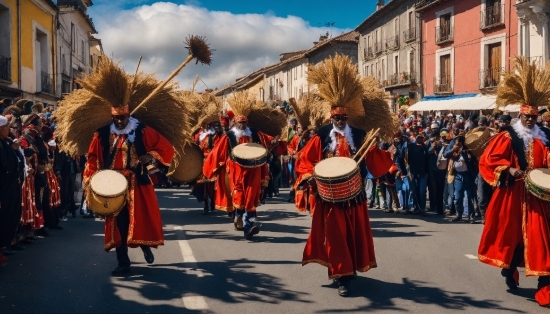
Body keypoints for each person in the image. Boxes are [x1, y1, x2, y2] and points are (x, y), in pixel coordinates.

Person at [295, 107, 393, 297]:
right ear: (331, 118)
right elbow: (306, 159)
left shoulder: (359, 135)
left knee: (354, 233)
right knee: (336, 236)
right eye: (337, 118)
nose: (341, 121)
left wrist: (383, 153)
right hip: (329, 197)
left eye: (344, 118)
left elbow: (371, 156)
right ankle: (342, 276)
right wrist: (310, 176)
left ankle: (350, 268)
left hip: (355, 194)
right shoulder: (322, 135)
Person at [83, 105, 175, 276]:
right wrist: (92, 178)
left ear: (128, 116)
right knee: (118, 224)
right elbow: (93, 157)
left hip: (136, 182)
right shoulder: (102, 134)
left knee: (139, 219)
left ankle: (144, 245)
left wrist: (152, 155)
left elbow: (166, 147)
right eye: (116, 118)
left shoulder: (141, 130)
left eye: (123, 118)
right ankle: (123, 262)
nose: (119, 121)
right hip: (112, 184)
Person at [478, 105, 550, 306]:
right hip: (513, 194)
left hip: (539, 197)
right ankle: (509, 268)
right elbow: (489, 159)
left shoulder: (544, 136)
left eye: (534, 117)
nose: (530, 120)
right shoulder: (508, 135)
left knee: (541, 239)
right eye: (527, 116)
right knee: (512, 235)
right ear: (520, 115)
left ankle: (544, 287)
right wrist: (508, 169)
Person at [203, 114, 275, 239]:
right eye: (240, 122)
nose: (242, 125)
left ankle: (248, 227)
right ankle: (238, 216)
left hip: (254, 169)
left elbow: (266, 139)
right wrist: (212, 168)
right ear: (235, 123)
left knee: (252, 196)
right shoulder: (229, 136)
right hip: (236, 169)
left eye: (244, 122)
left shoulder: (253, 133)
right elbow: (218, 152)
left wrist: (273, 140)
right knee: (239, 195)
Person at [0, 115, 24, 264]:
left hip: (10, 188)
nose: (9, 129)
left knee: (8, 217)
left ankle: (2, 247)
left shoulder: (5, 143)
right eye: (6, 126)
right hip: (4, 189)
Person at [444, 134, 477, 222]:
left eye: (458, 142)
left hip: (468, 175)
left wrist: (465, 154)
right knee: (458, 197)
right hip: (458, 175)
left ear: (461, 142)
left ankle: (471, 216)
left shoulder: (467, 149)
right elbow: (445, 154)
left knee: (469, 196)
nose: (456, 143)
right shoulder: (452, 147)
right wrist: (453, 150)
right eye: (455, 141)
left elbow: (473, 159)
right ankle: (459, 214)